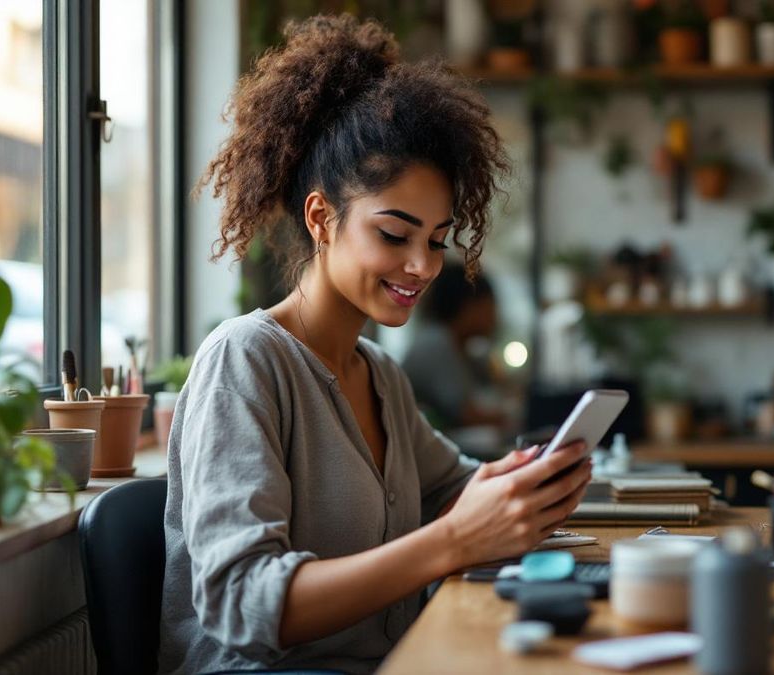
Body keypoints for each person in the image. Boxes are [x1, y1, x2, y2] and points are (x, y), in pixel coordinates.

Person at [159, 16, 592, 675]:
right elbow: (241, 604)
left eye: (437, 240)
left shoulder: (381, 375)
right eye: (394, 234)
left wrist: (527, 483)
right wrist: (453, 540)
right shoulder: (244, 360)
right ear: (321, 218)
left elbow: (452, 489)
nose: (423, 265)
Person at [402, 261, 508, 431]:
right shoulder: (436, 343)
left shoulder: (459, 347)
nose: (495, 318)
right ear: (469, 306)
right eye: (490, 306)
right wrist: (510, 417)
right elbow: (465, 414)